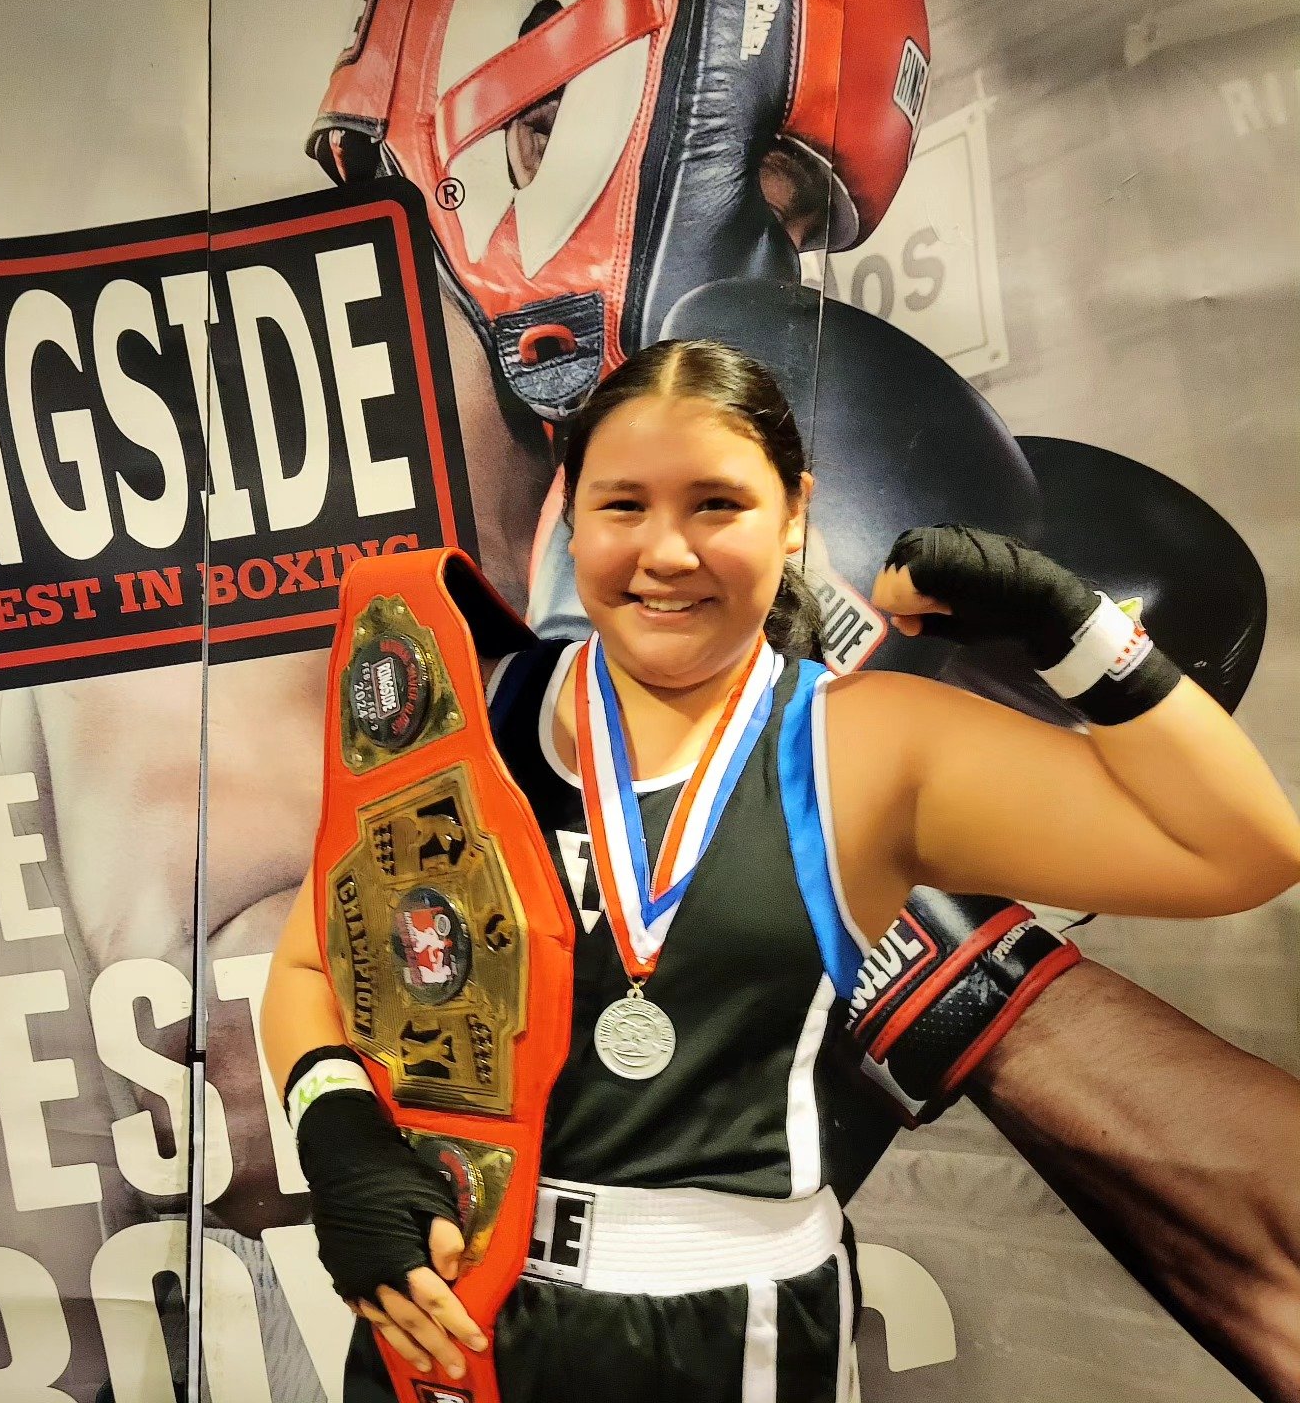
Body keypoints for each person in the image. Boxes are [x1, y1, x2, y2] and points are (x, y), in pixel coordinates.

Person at [260, 338, 1300, 1403]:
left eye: (718, 504)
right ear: (571, 513)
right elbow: (308, 974)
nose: (666, 552)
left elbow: (1239, 852)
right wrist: (337, 1133)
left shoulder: (867, 743)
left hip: (730, 1319)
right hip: (449, 1311)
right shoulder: (463, 714)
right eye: (625, 506)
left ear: (793, 514)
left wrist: (1074, 631)